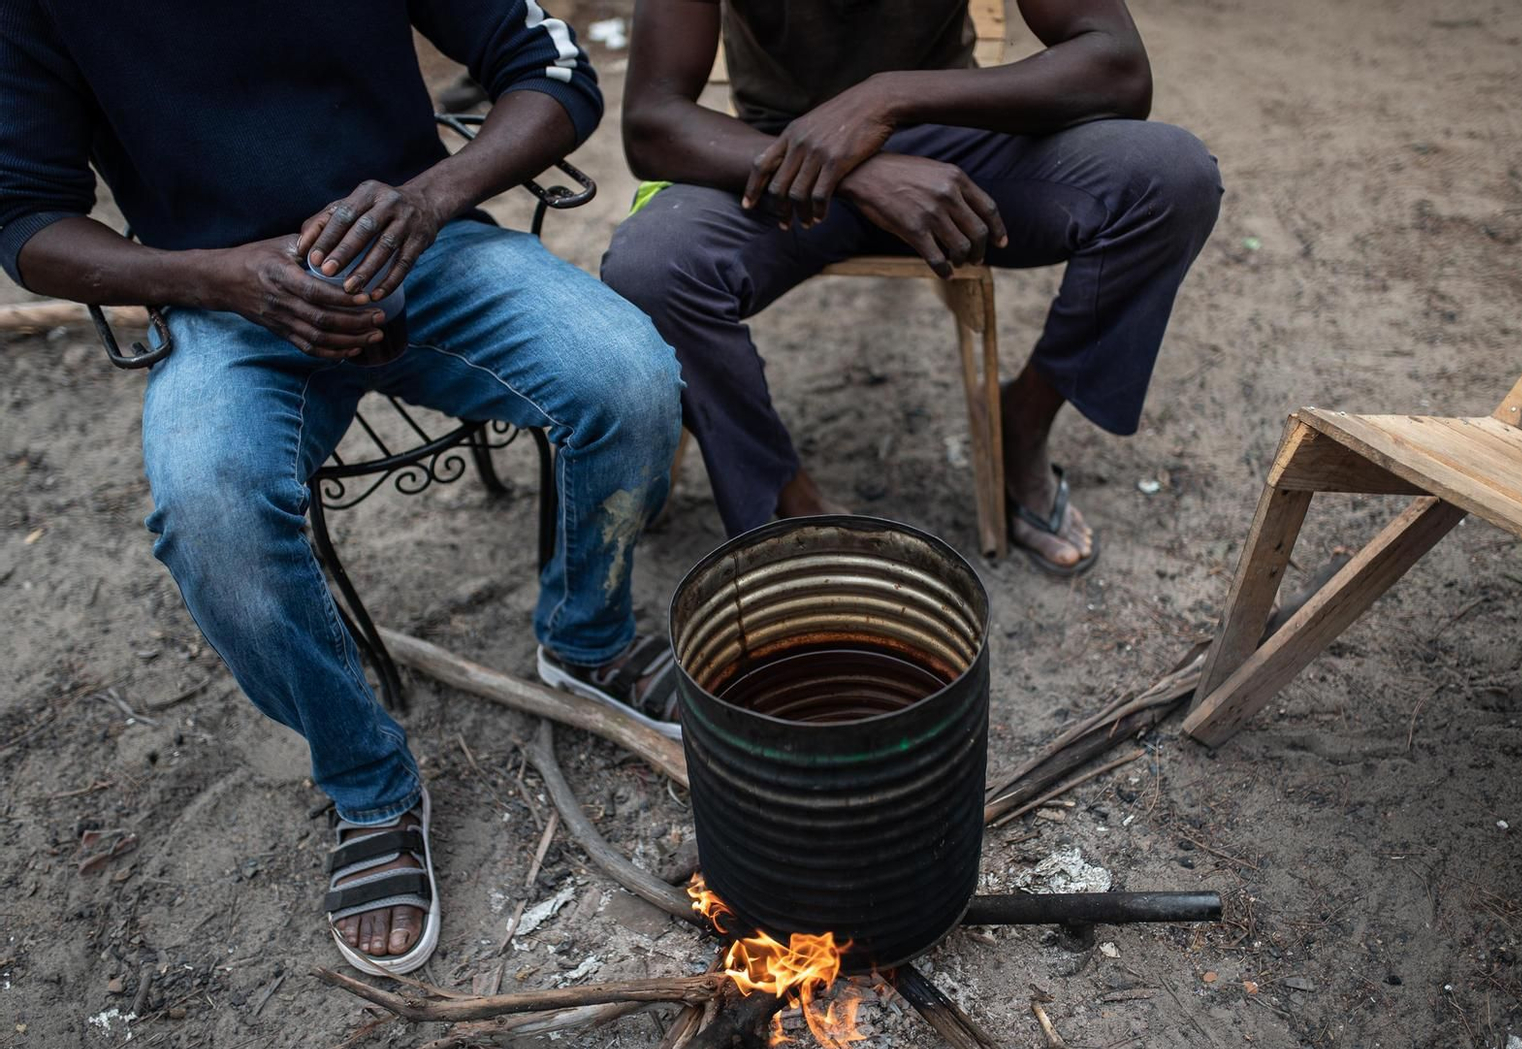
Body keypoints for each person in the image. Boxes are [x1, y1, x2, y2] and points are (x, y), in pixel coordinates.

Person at [0, 1, 684, 975]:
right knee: (210, 510)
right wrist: (216, 277)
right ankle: (369, 784)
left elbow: (551, 70)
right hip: (226, 301)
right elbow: (25, 218)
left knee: (629, 377)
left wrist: (428, 199)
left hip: (428, 249)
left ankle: (588, 638)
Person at [603, 0, 1222, 575]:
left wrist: (888, 97)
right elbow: (652, 122)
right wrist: (856, 172)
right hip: (781, 156)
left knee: (1170, 178)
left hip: (956, 143)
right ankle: (786, 500)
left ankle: (1022, 426)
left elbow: (1116, 66)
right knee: (652, 267)